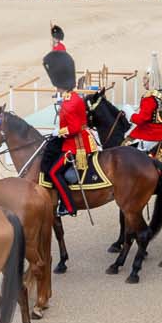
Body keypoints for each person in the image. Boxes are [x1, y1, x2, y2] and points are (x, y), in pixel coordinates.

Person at [38, 45, 94, 216]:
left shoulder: (70, 102)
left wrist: (58, 132)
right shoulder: (73, 97)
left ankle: (68, 206)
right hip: (76, 140)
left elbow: (74, 128)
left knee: (54, 172)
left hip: (75, 145)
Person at [127, 77, 162, 163]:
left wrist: (130, 115)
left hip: (151, 134)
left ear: (151, 80)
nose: (144, 83)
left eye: (146, 80)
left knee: (128, 149)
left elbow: (141, 120)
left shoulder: (149, 98)